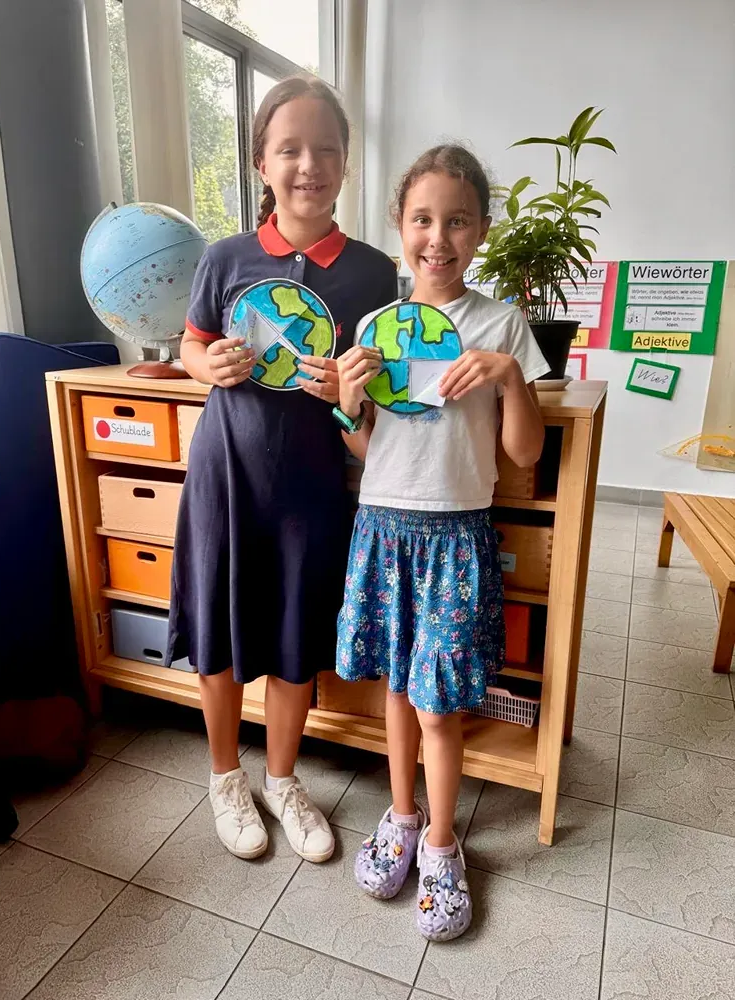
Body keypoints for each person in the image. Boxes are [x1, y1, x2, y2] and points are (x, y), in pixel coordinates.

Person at [167, 77, 398, 864]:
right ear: (262, 162)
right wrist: (212, 364)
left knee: (299, 631)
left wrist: (350, 390)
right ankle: (225, 776)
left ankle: (283, 776)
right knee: (222, 632)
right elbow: (192, 344)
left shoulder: (372, 272)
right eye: (290, 149)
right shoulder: (225, 256)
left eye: (327, 149)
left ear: (345, 163)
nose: (310, 164)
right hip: (227, 474)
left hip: (313, 482)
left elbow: (379, 397)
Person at [334, 144, 549, 939]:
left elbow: (523, 454)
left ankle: (440, 843)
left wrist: (508, 377)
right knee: (396, 688)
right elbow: (369, 450)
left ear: (481, 231)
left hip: (457, 537)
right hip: (383, 529)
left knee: (437, 706)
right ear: (399, 227)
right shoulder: (376, 327)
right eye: (423, 219)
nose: (438, 237)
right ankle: (398, 813)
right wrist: (350, 403)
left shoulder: (501, 324)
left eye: (457, 221)